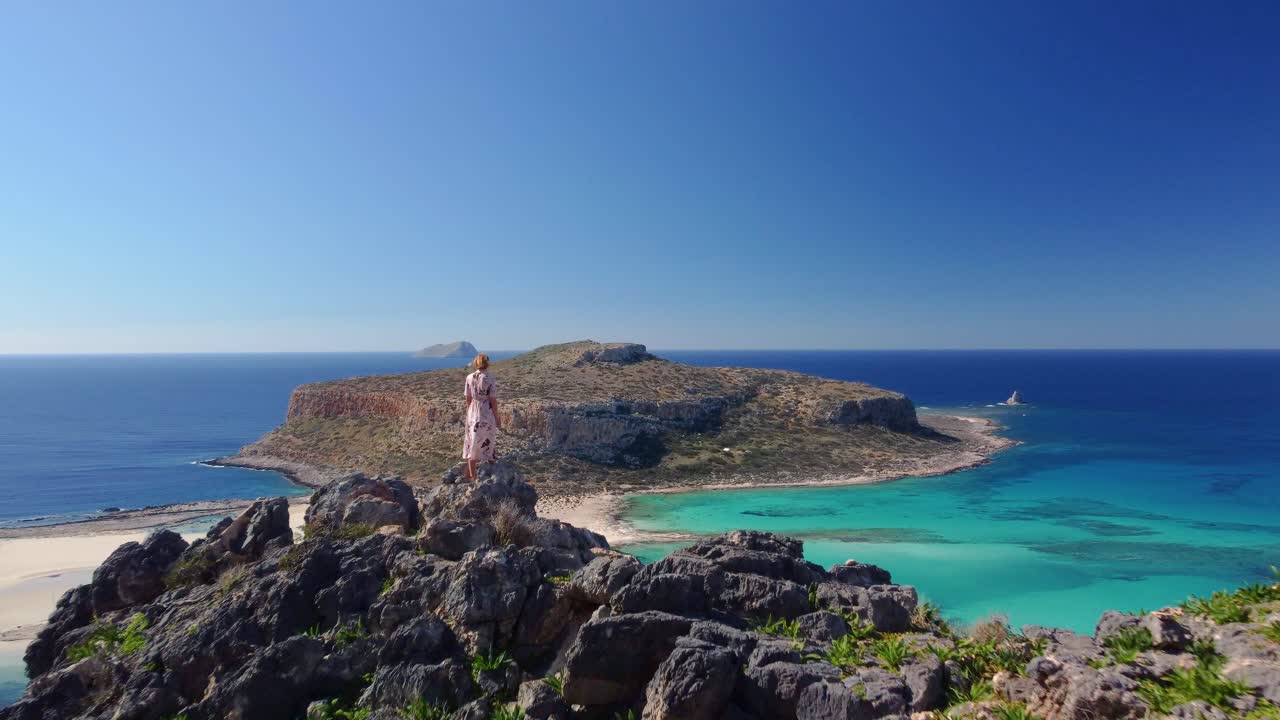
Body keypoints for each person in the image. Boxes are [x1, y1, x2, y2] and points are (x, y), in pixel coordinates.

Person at [462, 353, 500, 480]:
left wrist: (470, 412)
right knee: (489, 438)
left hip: (473, 410)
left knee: (472, 441)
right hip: (486, 412)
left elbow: (468, 398)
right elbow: (493, 400)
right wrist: (497, 417)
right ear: (487, 363)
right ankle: (493, 472)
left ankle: (473, 476)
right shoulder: (490, 378)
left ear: (476, 364)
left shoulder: (469, 377)